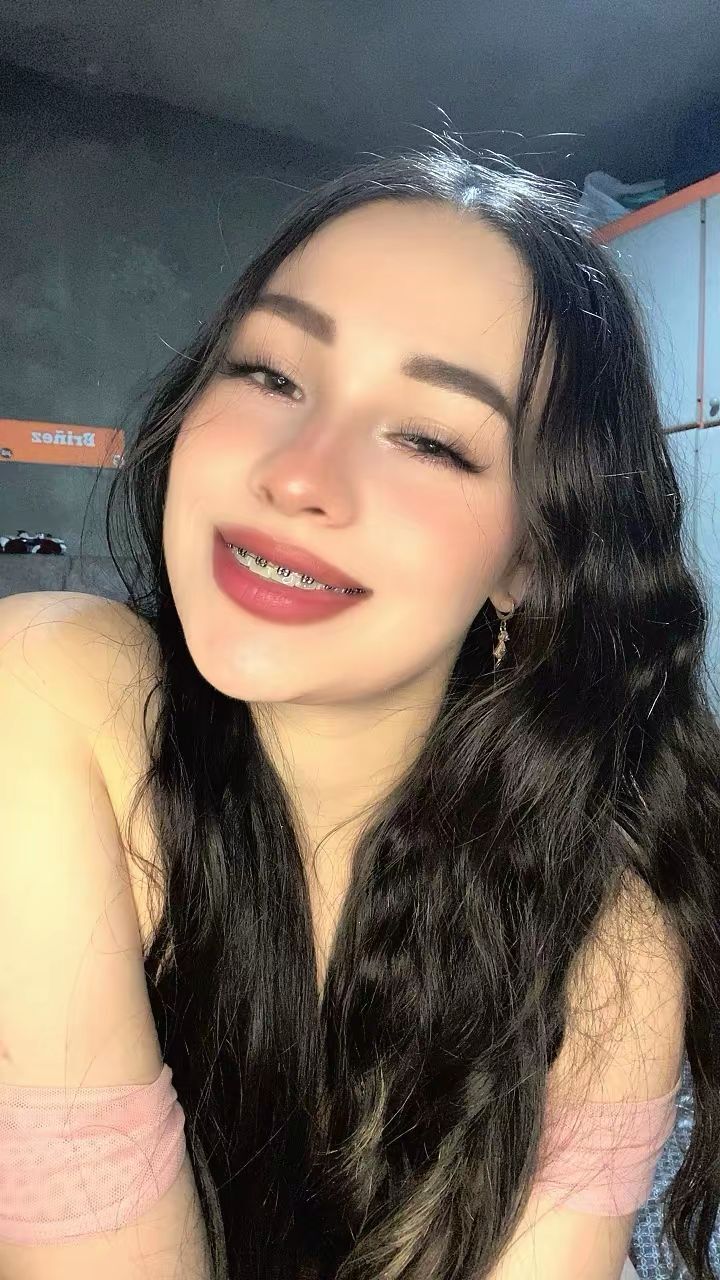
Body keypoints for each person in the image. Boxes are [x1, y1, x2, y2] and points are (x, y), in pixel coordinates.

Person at [0, 145, 717, 1280]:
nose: (298, 475)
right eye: (270, 374)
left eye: (429, 438)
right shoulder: (44, 686)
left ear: (532, 557)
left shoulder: (602, 926)